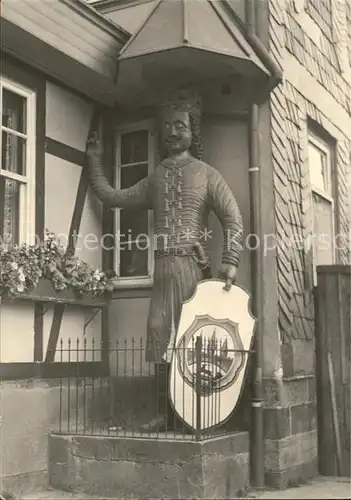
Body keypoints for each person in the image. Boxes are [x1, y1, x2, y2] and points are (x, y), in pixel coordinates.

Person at [86, 88, 244, 431]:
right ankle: (164, 412)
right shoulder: (157, 177)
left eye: (181, 126)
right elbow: (114, 197)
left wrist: (230, 260)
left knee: (192, 338)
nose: (173, 132)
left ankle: (194, 413)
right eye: (168, 126)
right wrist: (95, 161)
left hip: (192, 268)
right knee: (159, 335)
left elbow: (232, 218)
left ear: (193, 131)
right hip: (162, 268)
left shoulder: (207, 174)